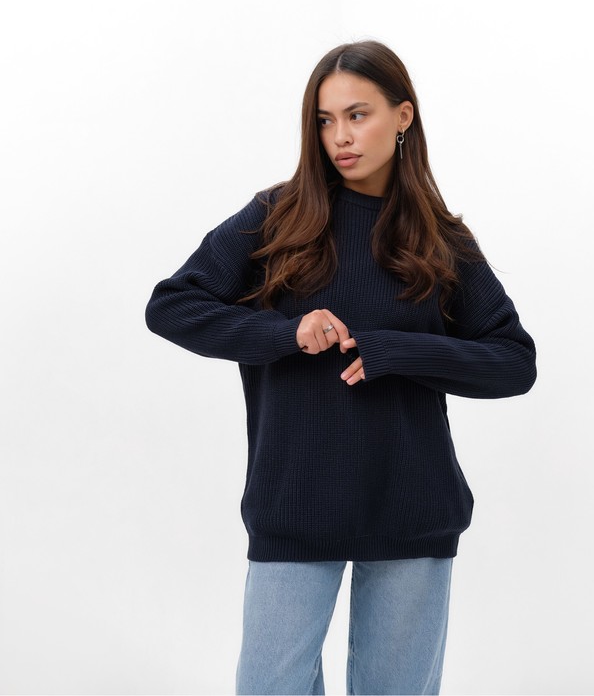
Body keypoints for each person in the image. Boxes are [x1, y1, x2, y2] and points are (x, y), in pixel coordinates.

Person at [145, 39, 536, 696]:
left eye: (358, 115)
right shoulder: (277, 216)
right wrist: (286, 333)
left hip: (411, 506)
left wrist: (396, 351)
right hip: (296, 503)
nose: (340, 137)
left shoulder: (440, 238)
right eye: (325, 120)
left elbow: (513, 362)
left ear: (403, 116)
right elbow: (173, 305)